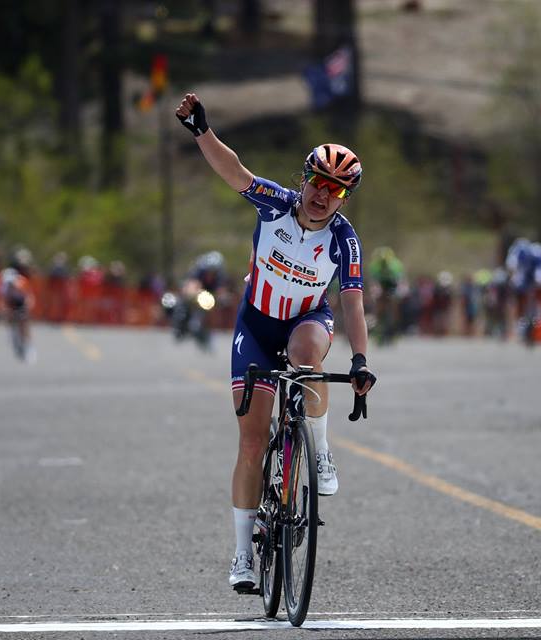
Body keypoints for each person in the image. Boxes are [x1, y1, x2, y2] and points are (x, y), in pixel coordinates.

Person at [175, 92, 376, 592]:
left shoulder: (344, 239)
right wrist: (203, 131)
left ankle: (321, 450)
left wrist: (360, 360)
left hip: (307, 318)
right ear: (303, 179)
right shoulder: (275, 208)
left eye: (337, 190)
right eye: (319, 182)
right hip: (257, 327)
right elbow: (235, 170)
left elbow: (352, 304)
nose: (323, 195)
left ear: (344, 198)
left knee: (309, 357)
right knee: (250, 441)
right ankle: (243, 555)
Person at [0, 267, 36, 361]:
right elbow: (0, 300)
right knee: (7, 315)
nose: (9, 284)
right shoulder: (2, 285)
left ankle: (29, 345)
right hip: (10, 303)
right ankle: (11, 331)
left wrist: (28, 306)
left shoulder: (21, 282)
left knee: (24, 321)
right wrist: (2, 310)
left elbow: (29, 297)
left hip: (21, 301)